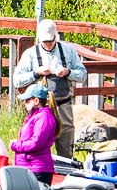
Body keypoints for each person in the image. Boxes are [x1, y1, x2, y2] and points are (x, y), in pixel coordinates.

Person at [11, 19, 86, 161]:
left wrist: (68, 72)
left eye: (50, 41)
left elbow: (83, 75)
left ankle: (64, 176)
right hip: (40, 109)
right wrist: (36, 72)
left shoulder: (68, 51)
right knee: (38, 146)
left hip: (64, 106)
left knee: (65, 150)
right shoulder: (30, 54)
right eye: (45, 42)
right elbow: (17, 80)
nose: (48, 44)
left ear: (55, 37)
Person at [8, 82, 59, 181]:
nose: (24, 103)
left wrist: (15, 145)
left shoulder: (44, 117)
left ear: (36, 101)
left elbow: (36, 143)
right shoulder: (35, 116)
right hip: (29, 168)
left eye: (27, 100)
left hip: (37, 170)